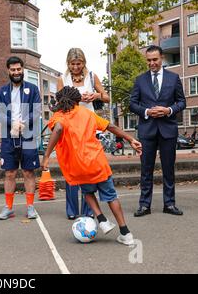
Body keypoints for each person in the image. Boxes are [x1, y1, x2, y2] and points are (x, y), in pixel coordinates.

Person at [41, 86, 142, 245]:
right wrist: (131, 139)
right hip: (97, 163)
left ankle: (101, 219)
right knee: (111, 197)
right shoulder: (87, 113)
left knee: (87, 193)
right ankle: (125, 233)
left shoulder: (58, 116)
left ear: (60, 101)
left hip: (78, 167)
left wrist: (46, 156)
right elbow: (111, 127)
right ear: (77, 100)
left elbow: (59, 128)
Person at [130, 45, 186, 217]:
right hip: (147, 131)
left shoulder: (174, 78)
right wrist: (147, 112)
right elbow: (132, 104)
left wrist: (168, 110)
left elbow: (182, 102)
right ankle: (144, 205)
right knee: (146, 170)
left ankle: (169, 204)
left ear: (162, 58)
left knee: (168, 169)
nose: (152, 63)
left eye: (155, 59)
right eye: (149, 60)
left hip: (168, 130)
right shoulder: (140, 80)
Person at [56, 48, 110, 220]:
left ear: (84, 63)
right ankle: (72, 209)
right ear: (68, 64)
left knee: (88, 166)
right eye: (72, 64)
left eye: (79, 64)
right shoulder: (62, 79)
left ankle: (89, 210)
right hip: (70, 125)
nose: (76, 67)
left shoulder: (92, 76)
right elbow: (59, 102)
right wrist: (75, 99)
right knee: (72, 167)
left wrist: (95, 95)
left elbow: (107, 97)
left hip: (88, 124)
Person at [0, 56, 41, 220]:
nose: (16, 72)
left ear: (23, 70)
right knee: (9, 173)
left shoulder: (33, 89)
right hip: (9, 137)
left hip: (27, 136)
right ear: (8, 70)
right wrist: (12, 124)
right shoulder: (2, 91)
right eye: (13, 69)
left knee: (29, 172)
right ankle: (8, 207)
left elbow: (36, 111)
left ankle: (30, 207)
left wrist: (23, 123)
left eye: (19, 69)